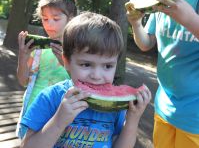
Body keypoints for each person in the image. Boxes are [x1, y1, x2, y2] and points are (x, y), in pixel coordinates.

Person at [20, 11, 151, 148]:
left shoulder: (115, 107)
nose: (97, 75)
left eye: (108, 66)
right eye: (86, 64)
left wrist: (132, 119)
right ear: (66, 62)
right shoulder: (50, 98)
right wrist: (58, 121)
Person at [127, 0, 199, 147]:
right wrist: (135, 23)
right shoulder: (161, 1)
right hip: (165, 108)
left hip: (195, 119)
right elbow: (146, 43)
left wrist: (191, 20)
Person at [16, 0, 77, 139]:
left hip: (62, 114)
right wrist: (23, 57)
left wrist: (66, 63)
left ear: (71, 19)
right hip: (35, 112)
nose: (49, 24)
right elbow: (23, 81)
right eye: (45, 19)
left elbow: (83, 83)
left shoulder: (77, 50)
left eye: (56, 19)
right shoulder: (38, 49)